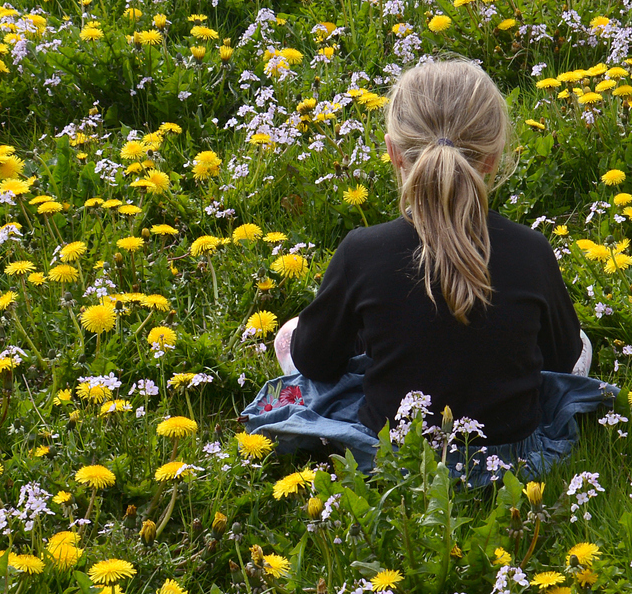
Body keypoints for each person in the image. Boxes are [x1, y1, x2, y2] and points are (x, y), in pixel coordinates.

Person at [240, 57, 611, 484]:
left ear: (394, 152)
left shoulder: (362, 250)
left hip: (392, 453)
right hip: (511, 457)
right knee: (581, 342)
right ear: (492, 158)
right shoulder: (532, 250)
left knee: (290, 334)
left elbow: (314, 361)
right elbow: (563, 358)